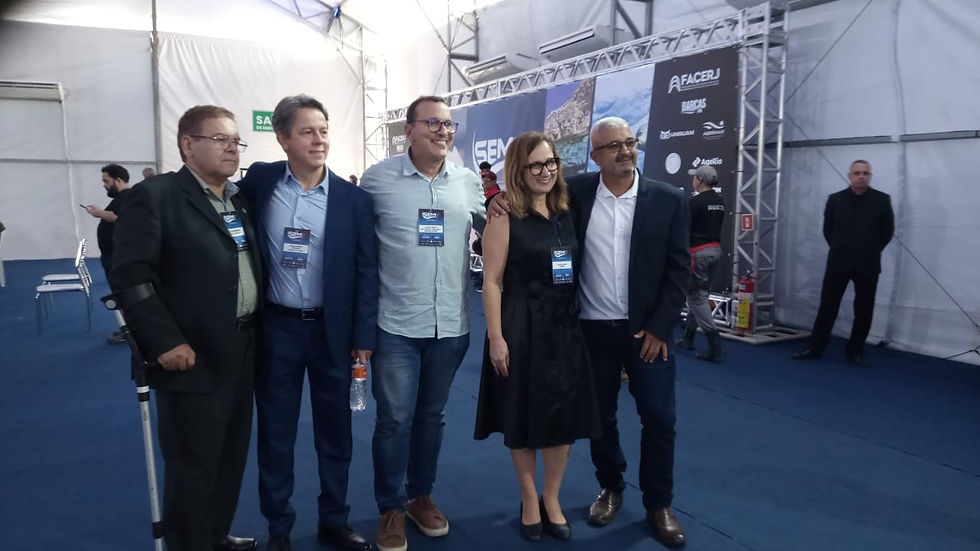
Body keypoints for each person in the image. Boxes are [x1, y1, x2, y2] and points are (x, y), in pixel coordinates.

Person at [489, 116, 690, 547]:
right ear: (595, 156)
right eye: (613, 145)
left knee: (660, 418)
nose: (625, 150)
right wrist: (499, 201)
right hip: (588, 331)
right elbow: (530, 198)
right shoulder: (576, 194)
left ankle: (659, 504)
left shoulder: (669, 200)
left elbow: (678, 271)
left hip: (647, 335)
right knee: (599, 419)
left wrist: (660, 327)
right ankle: (610, 487)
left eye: (629, 141)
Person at [109, 105, 261, 551]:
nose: (232, 148)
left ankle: (213, 535)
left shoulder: (237, 199)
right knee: (193, 463)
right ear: (187, 144)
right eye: (220, 139)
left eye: (236, 140)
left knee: (229, 456)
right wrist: (165, 341)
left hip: (241, 346)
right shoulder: (155, 197)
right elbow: (130, 276)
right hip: (190, 354)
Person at [238, 94, 378, 551]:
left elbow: (367, 272)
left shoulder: (354, 201)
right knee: (275, 434)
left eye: (323, 130)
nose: (319, 140)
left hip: (331, 334)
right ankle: (279, 527)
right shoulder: (259, 182)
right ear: (283, 139)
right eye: (307, 132)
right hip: (276, 330)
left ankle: (334, 519)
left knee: (335, 434)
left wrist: (363, 336)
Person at [359, 95, 486, 551]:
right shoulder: (377, 180)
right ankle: (390, 508)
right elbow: (356, 248)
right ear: (408, 130)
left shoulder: (468, 182)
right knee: (394, 420)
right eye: (433, 123)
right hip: (395, 324)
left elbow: (498, 233)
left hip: (451, 325)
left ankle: (420, 497)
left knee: (432, 418)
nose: (443, 131)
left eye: (449, 125)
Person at [474, 131, 600, 542]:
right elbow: (491, 282)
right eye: (535, 165)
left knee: (564, 417)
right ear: (518, 169)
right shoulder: (504, 215)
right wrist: (496, 337)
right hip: (521, 328)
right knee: (522, 415)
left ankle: (551, 497)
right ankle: (529, 498)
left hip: (565, 327)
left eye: (551, 163)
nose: (545, 172)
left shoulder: (567, 209)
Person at [793, 160, 894, 367]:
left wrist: (871, 250)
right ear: (850, 176)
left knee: (864, 309)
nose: (861, 176)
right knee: (827, 306)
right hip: (838, 262)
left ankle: (855, 350)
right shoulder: (836, 200)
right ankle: (815, 347)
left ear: (870, 176)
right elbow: (828, 230)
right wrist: (841, 248)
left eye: (865, 173)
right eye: (857, 173)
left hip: (868, 263)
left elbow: (887, 231)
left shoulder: (882, 200)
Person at [675, 164, 726, 361]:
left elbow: (683, 228)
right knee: (700, 297)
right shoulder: (719, 201)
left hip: (698, 254)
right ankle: (688, 337)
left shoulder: (695, 202)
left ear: (700, 180)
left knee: (696, 298)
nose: (693, 180)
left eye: (695, 177)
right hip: (715, 252)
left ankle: (715, 343)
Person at [84, 163, 135, 344]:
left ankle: (132, 330)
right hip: (113, 255)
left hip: (118, 256)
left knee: (125, 294)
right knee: (121, 294)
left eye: (106, 181)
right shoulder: (123, 198)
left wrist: (99, 213)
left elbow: (119, 217)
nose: (104, 185)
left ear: (118, 180)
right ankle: (128, 327)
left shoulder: (127, 196)